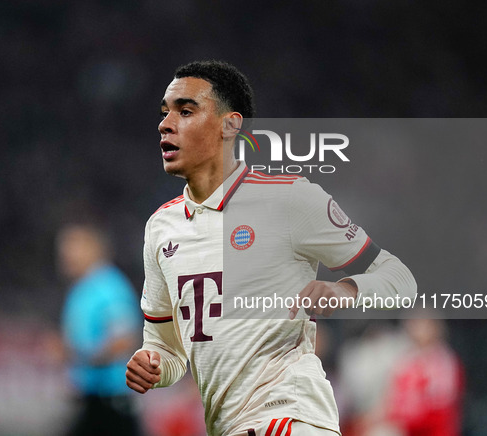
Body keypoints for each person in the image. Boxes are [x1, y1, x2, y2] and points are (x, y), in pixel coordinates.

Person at [125, 60, 417, 436]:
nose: (165, 123)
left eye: (185, 111)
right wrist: (152, 363)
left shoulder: (289, 199)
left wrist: (344, 289)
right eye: (165, 113)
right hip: (229, 426)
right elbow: (168, 349)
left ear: (231, 125)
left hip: (292, 419)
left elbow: (400, 279)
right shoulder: (161, 228)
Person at [57, 223, 143, 436]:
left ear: (93, 249)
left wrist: (81, 356)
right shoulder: (82, 288)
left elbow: (124, 341)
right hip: (92, 401)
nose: (64, 254)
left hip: (110, 402)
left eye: (72, 246)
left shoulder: (109, 287)